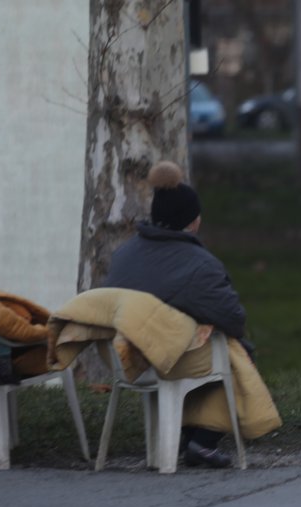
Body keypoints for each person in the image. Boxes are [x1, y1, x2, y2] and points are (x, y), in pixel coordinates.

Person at [103, 161, 250, 468]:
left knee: (200, 348)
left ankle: (181, 437)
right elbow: (234, 319)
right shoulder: (198, 264)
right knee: (236, 352)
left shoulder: (124, 254)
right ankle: (202, 441)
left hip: (124, 358)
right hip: (165, 361)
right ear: (193, 222)